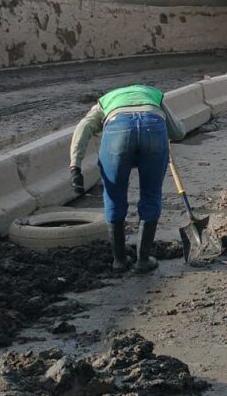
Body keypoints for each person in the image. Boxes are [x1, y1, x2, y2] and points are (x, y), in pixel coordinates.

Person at [69, 84, 187, 273]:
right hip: (153, 127)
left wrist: (75, 166)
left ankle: (120, 260)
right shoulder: (153, 95)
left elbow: (83, 127)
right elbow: (179, 132)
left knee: (114, 196)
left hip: (117, 132)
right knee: (151, 194)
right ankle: (143, 260)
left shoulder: (105, 102)